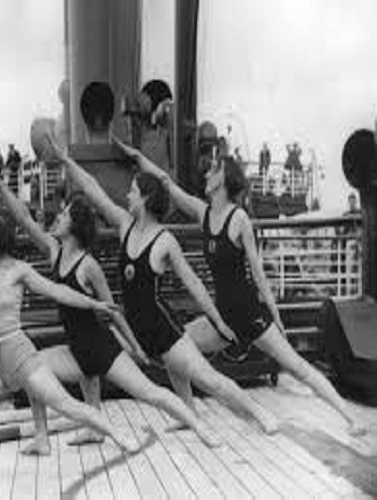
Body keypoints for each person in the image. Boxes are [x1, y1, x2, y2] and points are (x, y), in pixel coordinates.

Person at [115, 141, 366, 437]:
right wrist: (140, 158)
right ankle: (188, 411)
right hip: (222, 317)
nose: (207, 173)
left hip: (250, 314)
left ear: (224, 179)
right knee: (175, 348)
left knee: (297, 367)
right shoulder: (203, 212)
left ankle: (350, 417)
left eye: (214, 169)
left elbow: (257, 272)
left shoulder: (239, 219)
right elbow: (167, 184)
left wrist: (275, 313)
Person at [0, 167, 144, 474]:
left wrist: (93, 303)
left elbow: (59, 291)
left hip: (19, 357)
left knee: (66, 405)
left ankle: (116, 433)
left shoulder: (19, 270)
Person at [43, 137, 279, 435]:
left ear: (144, 199)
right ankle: (136, 419)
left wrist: (218, 321)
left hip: (163, 330)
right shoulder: (125, 224)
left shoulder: (165, 240)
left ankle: (260, 413)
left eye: (132, 192)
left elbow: (194, 284)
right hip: (134, 328)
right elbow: (93, 189)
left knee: (208, 379)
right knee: (93, 356)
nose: (127, 196)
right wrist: (66, 161)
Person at [0, 162, 222, 448]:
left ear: (75, 226)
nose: (57, 217)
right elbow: (24, 219)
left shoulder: (89, 266)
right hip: (76, 351)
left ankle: (199, 427)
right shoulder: (54, 252)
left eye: (64, 215)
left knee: (150, 393)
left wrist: (134, 347)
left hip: (104, 350)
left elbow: (112, 311)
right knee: (31, 371)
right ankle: (45, 438)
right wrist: (0, 185)